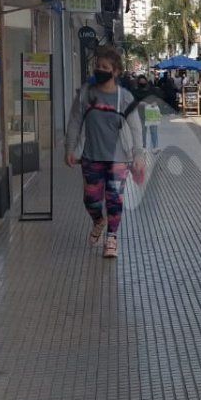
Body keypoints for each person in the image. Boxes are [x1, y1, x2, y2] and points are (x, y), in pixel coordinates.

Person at [64, 46, 145, 259]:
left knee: (114, 200)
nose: (100, 70)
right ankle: (99, 221)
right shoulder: (86, 95)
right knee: (90, 199)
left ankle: (112, 238)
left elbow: (136, 128)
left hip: (118, 159)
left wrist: (138, 155)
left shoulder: (124, 98)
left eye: (105, 67)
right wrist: (70, 148)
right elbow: (74, 122)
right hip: (91, 157)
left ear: (116, 71)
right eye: (97, 66)